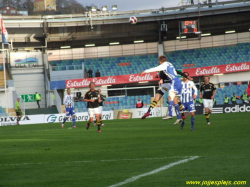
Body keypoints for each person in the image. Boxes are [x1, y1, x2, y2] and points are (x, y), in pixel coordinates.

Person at [141, 55, 192, 125]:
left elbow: (156, 69)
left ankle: (152, 112)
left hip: (170, 83)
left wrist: (145, 71)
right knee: (176, 100)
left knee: (161, 98)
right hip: (175, 82)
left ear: (160, 61)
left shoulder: (162, 66)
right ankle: (181, 115)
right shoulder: (169, 64)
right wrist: (186, 76)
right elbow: (176, 71)